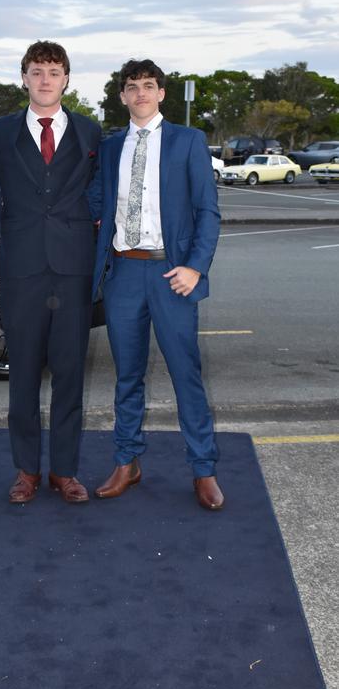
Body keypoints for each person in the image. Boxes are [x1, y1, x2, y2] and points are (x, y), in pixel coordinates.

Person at [88, 59, 224, 510]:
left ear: (162, 93)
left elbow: (208, 211)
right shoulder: (110, 148)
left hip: (172, 274)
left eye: (149, 86)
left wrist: (196, 267)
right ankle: (127, 462)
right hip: (124, 273)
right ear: (123, 96)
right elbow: (93, 203)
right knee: (126, 375)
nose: (141, 93)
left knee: (186, 374)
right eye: (132, 87)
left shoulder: (189, 142)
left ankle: (203, 469)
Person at [0, 41, 101, 504]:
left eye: (54, 71)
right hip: (22, 268)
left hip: (73, 269)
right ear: (24, 78)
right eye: (37, 71)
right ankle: (26, 471)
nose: (45, 79)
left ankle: (65, 470)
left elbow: (101, 192)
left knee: (71, 373)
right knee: (23, 375)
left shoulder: (91, 133)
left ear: (67, 78)